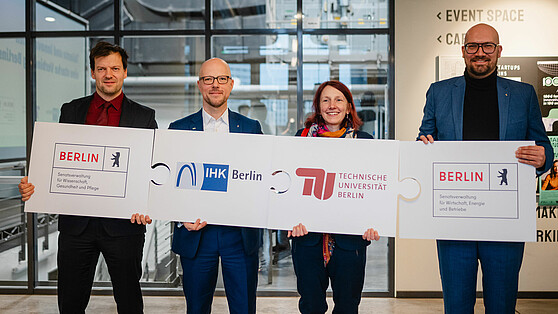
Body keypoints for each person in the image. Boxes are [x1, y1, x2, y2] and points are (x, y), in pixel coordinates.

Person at [418, 23, 553, 314]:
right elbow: (424, 139)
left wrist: (544, 158)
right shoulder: (439, 92)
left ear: (499, 51)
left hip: (505, 221)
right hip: (454, 218)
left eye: (487, 46)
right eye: (473, 47)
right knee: (456, 305)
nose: (480, 53)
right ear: (464, 52)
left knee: (502, 306)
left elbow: (544, 146)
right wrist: (423, 145)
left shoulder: (523, 94)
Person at [18, 41, 156, 314]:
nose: (108, 74)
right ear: (92, 73)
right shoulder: (71, 111)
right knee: (70, 301)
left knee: (129, 301)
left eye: (115, 68)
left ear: (125, 72)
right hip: (76, 226)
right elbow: (58, 160)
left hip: (124, 226)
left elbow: (149, 170)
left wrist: (148, 204)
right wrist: (34, 185)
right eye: (101, 68)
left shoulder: (144, 116)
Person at [169, 58, 262, 313]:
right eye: (208, 79)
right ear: (200, 85)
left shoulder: (252, 129)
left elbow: (260, 180)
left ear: (230, 84)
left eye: (221, 79)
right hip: (197, 234)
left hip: (239, 234)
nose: (215, 85)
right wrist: (180, 216)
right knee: (197, 308)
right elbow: (168, 184)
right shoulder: (178, 130)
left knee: (244, 308)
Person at [288, 80, 381, 314]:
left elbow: (375, 190)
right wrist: (288, 219)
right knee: (311, 306)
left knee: (348, 306)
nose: (332, 105)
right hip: (308, 240)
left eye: (339, 99)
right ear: (318, 107)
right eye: (325, 100)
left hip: (350, 243)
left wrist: (374, 222)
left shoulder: (365, 142)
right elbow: (288, 186)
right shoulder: (300, 140)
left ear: (349, 107)